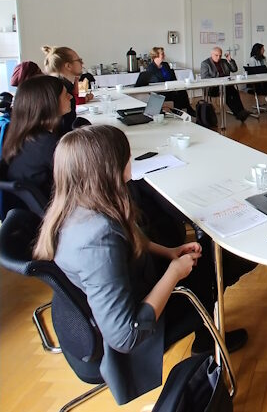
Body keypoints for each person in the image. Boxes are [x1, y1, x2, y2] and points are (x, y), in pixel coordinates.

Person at [33, 125, 246, 404]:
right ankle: (207, 338)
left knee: (213, 257)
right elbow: (126, 334)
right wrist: (173, 273)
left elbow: (129, 238)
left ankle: (207, 334)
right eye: (126, 156)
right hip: (135, 331)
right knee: (223, 263)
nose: (131, 162)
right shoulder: (98, 240)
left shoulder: (74, 206)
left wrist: (169, 252)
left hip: (130, 288)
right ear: (109, 169)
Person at [1, 75, 72, 203]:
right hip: (54, 209)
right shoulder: (48, 144)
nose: (71, 97)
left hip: (29, 211)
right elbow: (76, 179)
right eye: (66, 94)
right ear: (50, 103)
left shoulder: (21, 136)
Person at [43, 45, 93, 134]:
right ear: (68, 66)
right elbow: (65, 128)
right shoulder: (61, 90)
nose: (82, 63)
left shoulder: (55, 85)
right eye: (79, 60)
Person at [135, 47, 195, 117]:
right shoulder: (151, 68)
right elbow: (153, 82)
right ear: (156, 55)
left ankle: (186, 109)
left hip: (169, 88)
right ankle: (178, 111)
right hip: (160, 91)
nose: (164, 55)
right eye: (162, 54)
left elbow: (172, 77)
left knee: (181, 91)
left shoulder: (165, 65)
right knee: (177, 94)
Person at [200, 47, 250, 122]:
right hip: (213, 88)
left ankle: (241, 112)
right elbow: (204, 77)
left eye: (220, 55)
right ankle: (239, 113)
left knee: (234, 92)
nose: (218, 57)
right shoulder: (205, 63)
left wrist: (230, 60)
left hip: (225, 85)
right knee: (228, 92)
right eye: (216, 55)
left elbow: (234, 69)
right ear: (212, 54)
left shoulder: (224, 61)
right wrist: (218, 78)